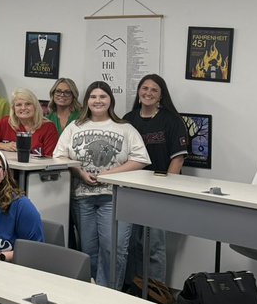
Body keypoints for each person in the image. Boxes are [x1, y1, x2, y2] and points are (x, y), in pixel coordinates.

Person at [53, 81, 150, 288]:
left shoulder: (125, 128)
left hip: (115, 198)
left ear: (110, 100)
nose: (98, 101)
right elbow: (59, 156)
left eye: (103, 96)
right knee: (88, 251)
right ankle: (92, 292)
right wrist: (80, 173)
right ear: (87, 101)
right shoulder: (75, 127)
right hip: (82, 196)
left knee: (113, 249)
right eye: (93, 97)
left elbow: (141, 159)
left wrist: (109, 175)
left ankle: (109, 294)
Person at [123, 74, 189, 287]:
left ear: (161, 96)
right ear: (138, 92)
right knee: (131, 244)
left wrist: (165, 189)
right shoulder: (128, 119)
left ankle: (155, 294)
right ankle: (133, 289)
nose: (148, 93)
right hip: (131, 191)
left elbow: (177, 160)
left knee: (154, 247)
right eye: (145, 88)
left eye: (154, 90)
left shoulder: (172, 121)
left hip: (158, 193)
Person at [0, 88, 59, 157]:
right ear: (13, 108)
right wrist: (3, 146)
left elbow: (50, 159)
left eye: (28, 104)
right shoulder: (6, 122)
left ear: (35, 106)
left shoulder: (48, 127)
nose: (23, 108)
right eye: (19, 105)